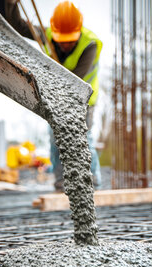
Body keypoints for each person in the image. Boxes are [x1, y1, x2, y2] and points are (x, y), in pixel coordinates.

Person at [46, 1, 103, 191]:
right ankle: (61, 180)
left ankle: (93, 178)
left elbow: (75, 79)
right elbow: (19, 25)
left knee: (84, 137)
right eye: (62, 40)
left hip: (84, 100)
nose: (65, 45)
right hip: (55, 99)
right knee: (55, 140)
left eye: (70, 40)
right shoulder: (46, 36)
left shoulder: (90, 44)